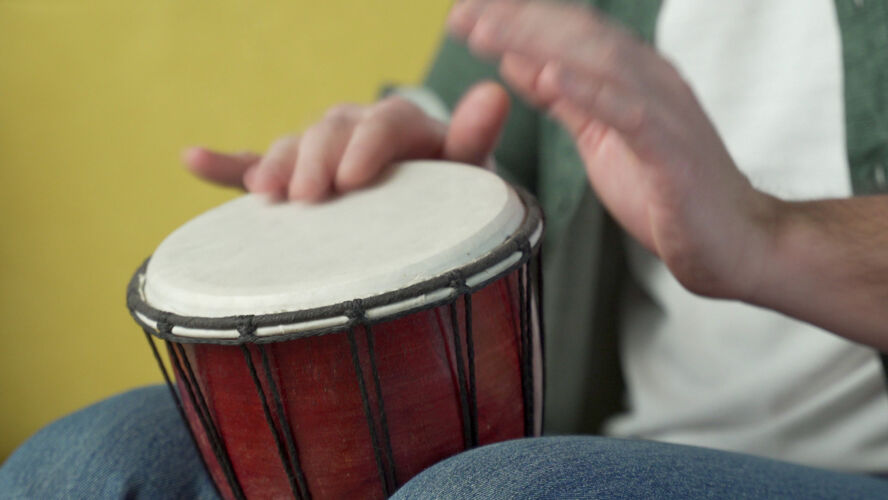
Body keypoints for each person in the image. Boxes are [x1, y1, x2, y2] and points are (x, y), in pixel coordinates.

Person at [2, 0, 887, 497]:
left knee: (487, 498)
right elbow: (459, 115)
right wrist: (411, 172)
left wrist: (771, 234)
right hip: (606, 438)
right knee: (82, 465)